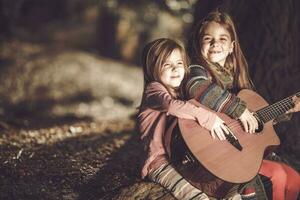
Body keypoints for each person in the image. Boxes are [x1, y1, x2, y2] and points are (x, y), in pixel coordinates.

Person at [185, 10, 300, 200]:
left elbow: (253, 122)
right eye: (208, 38)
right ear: (199, 44)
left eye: (222, 39)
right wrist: (240, 111)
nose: (215, 44)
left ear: (232, 47)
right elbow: (197, 87)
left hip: (234, 151)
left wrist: (288, 107)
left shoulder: (236, 82)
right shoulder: (196, 70)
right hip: (213, 154)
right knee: (278, 177)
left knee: (294, 179)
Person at [137, 38, 239, 200]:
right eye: (166, 64)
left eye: (179, 63)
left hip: (183, 160)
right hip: (160, 162)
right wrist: (208, 118)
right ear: (153, 69)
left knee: (231, 194)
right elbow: (171, 106)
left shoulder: (183, 93)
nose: (175, 69)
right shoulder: (154, 90)